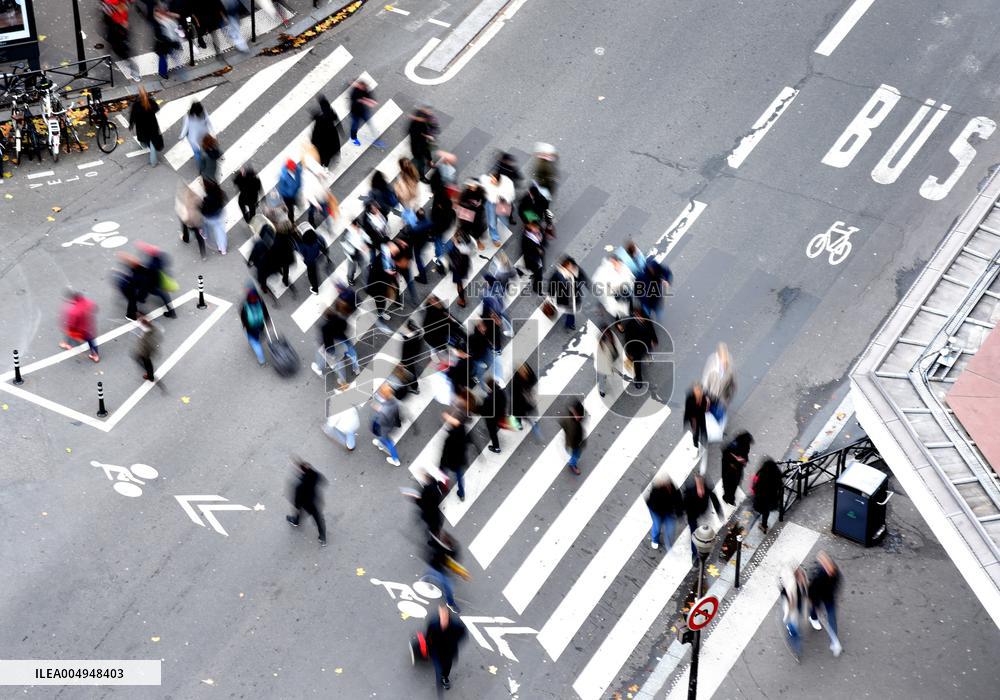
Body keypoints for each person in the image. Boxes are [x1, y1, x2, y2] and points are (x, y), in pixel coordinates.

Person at [807, 551, 843, 657]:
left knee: (831, 616)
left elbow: (837, 584)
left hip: (828, 596)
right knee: (814, 608)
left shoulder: (835, 572)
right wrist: (812, 600)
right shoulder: (817, 574)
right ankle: (813, 618)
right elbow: (811, 589)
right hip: (818, 596)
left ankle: (834, 641)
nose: (830, 570)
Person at [425, 604, 467, 693]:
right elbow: (428, 636)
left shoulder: (456, 625)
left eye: (445, 617)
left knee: (446, 667)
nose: (443, 620)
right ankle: (440, 676)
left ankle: (444, 677)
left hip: (448, 651)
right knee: (438, 666)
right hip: (436, 650)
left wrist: (454, 641)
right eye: (442, 617)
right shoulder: (433, 623)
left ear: (448, 616)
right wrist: (430, 647)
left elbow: (463, 634)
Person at [682, 475, 723, 563]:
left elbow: (714, 499)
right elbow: (684, 504)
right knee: (694, 532)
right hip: (692, 514)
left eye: (702, 489)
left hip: (701, 511)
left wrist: (719, 513)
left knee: (703, 530)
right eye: (699, 489)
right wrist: (682, 514)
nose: (701, 492)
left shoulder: (707, 488)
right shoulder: (689, 491)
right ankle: (695, 554)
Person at [286, 460, 327, 546]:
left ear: (302, 471)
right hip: (314, 500)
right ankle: (322, 537)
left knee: (299, 512)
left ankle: (296, 521)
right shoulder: (314, 475)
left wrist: (296, 506)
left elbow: (297, 499)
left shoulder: (299, 485)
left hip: (304, 503)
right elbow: (323, 481)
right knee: (318, 519)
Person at [702, 342, 736, 433]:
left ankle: (717, 428)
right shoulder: (712, 364)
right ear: (719, 357)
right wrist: (706, 396)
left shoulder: (729, 363)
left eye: (726, 360)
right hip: (712, 393)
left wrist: (729, 394)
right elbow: (706, 380)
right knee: (709, 411)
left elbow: (732, 380)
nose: (725, 363)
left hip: (722, 396)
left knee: (720, 413)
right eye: (723, 361)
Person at [440, 401, 471, 500]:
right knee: (459, 477)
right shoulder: (463, 431)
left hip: (449, 460)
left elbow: (445, 451)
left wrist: (447, 416)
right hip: (459, 460)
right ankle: (461, 494)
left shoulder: (450, 438)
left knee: (443, 472)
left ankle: (444, 488)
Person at [59, 290, 100, 362]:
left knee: (69, 333)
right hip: (89, 327)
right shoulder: (86, 302)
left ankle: (67, 344)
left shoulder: (74, 312)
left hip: (80, 330)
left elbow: (72, 324)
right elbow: (95, 307)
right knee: (91, 341)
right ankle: (95, 355)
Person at [622, 308, 658, 390]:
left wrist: (654, 339)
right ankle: (639, 380)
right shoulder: (630, 325)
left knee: (647, 353)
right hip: (636, 348)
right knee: (637, 365)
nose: (639, 318)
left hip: (646, 344)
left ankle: (648, 357)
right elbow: (627, 339)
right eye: (637, 316)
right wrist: (629, 352)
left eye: (640, 316)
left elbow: (651, 330)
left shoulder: (647, 321)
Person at [128, 87, 163, 167]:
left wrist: (131, 125)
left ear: (139, 94)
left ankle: (144, 144)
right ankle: (153, 162)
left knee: (143, 138)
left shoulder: (136, 105)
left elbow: (133, 116)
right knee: (152, 143)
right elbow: (157, 108)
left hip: (141, 126)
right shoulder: (151, 102)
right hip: (152, 125)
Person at [779, 565, 809, 660]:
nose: (802, 579)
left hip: (799, 605)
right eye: (801, 577)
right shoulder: (792, 586)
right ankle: (797, 650)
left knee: (796, 622)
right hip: (792, 608)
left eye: (803, 577)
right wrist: (791, 605)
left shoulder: (804, 583)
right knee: (795, 629)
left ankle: (791, 629)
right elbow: (790, 601)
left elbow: (805, 594)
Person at [480, 169, 515, 245]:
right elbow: (482, 179)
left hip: (502, 203)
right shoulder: (487, 180)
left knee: (504, 222)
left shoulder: (507, 183)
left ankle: (503, 227)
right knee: (492, 222)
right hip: (491, 203)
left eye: (493, 180)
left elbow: (511, 196)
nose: (491, 180)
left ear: (498, 181)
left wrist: (504, 198)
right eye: (491, 178)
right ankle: (495, 238)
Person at [646, 476, 682, 550]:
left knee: (670, 529)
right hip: (657, 512)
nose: (668, 487)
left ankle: (668, 543)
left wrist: (679, 512)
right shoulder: (656, 492)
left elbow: (678, 500)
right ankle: (655, 540)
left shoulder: (673, 489)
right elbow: (652, 504)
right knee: (657, 526)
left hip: (668, 512)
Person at [371, 383, 402, 466]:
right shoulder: (394, 401)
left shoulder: (384, 411)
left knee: (388, 441)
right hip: (392, 423)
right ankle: (380, 444)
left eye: (381, 393)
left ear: (384, 396)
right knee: (384, 438)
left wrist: (379, 410)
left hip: (385, 428)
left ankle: (395, 460)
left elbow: (381, 422)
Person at [178, 101, 213, 171]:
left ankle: (201, 168)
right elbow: (208, 122)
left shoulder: (188, 116)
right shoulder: (203, 113)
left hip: (194, 139)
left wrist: (181, 136)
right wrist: (212, 131)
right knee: (207, 149)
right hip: (204, 136)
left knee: (197, 153)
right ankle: (209, 161)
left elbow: (185, 128)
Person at [549, 256, 581, 330]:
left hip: (572, 297)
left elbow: (578, 281)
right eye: (569, 266)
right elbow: (552, 285)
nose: (571, 268)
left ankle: (570, 323)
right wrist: (551, 295)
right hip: (563, 298)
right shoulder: (557, 275)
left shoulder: (573, 271)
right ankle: (569, 323)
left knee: (571, 311)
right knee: (568, 310)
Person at [721, 431, 753, 505]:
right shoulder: (734, 446)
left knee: (732, 482)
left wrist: (743, 460)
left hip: (736, 468)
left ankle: (728, 495)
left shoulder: (744, 445)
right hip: (730, 468)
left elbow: (745, 455)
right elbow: (725, 452)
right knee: (731, 484)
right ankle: (729, 499)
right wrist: (736, 459)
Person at [348, 78, 383, 148]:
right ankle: (353, 138)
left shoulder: (365, 89)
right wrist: (364, 101)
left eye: (364, 87)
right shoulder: (354, 92)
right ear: (359, 86)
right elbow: (355, 102)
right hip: (355, 112)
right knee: (355, 126)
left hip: (363, 111)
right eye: (362, 87)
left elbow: (370, 97)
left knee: (370, 123)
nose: (363, 88)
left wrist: (369, 101)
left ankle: (375, 136)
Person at [752, 457, 783, 533]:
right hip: (772, 497)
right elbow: (780, 485)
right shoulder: (777, 472)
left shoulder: (763, 475)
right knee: (766, 512)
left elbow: (757, 487)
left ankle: (763, 524)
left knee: (762, 509)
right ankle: (764, 525)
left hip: (762, 498)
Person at [684, 383, 710, 475]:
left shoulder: (704, 395)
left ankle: (705, 438)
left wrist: (707, 404)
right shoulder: (690, 398)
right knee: (695, 434)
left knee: (703, 430)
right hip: (694, 419)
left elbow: (707, 405)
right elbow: (688, 410)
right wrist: (690, 420)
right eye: (697, 391)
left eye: (700, 391)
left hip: (701, 417)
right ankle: (695, 447)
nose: (699, 392)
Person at [511, 363, 542, 438]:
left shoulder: (529, 377)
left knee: (529, 416)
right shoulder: (516, 381)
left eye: (524, 371)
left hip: (526, 403)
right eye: (522, 371)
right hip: (522, 403)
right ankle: (520, 425)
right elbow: (515, 395)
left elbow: (534, 382)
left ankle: (534, 428)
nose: (524, 373)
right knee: (519, 415)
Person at [311, 95, 343, 167]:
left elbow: (315, 134)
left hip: (323, 140)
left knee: (323, 153)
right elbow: (337, 120)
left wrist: (313, 142)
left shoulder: (319, 122)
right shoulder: (330, 112)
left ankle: (323, 164)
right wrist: (341, 131)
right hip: (332, 136)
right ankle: (327, 163)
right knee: (330, 150)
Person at [240, 286, 268, 366]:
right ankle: (258, 338)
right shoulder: (260, 302)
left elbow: (243, 318)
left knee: (255, 343)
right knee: (257, 336)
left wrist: (244, 325)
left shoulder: (245, 306)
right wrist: (266, 321)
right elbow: (266, 314)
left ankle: (262, 361)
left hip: (251, 328)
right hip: (260, 325)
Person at [478, 377, 506, 454]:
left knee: (492, 433)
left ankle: (496, 447)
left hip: (492, 418)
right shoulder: (501, 392)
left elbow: (484, 410)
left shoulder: (489, 399)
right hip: (500, 414)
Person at [298, 227, 330, 296]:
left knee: (311, 274)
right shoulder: (317, 239)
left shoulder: (304, 246)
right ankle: (315, 286)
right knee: (312, 271)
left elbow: (303, 253)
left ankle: (315, 289)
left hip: (310, 261)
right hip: (316, 255)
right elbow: (323, 243)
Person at [200, 180, 228, 255]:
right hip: (219, 215)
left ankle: (204, 234)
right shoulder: (219, 193)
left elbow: (203, 210)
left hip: (210, 217)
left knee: (204, 224)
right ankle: (222, 249)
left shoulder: (207, 199)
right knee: (220, 232)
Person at [560, 399, 586, 475]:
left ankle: (572, 463)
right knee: (576, 455)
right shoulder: (570, 422)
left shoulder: (577, 420)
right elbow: (565, 426)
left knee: (576, 454)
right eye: (575, 414)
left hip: (577, 441)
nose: (577, 417)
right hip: (574, 443)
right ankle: (572, 465)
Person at [594, 325, 619, 398]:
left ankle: (602, 389)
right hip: (602, 365)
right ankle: (602, 390)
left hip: (607, 362)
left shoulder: (610, 340)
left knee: (603, 376)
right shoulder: (601, 342)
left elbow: (614, 352)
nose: (608, 336)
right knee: (602, 378)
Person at [133, 315, 160, 382]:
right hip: (147, 350)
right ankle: (150, 375)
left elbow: (145, 345)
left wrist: (141, 352)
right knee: (147, 363)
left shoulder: (147, 333)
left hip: (145, 352)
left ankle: (150, 376)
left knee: (147, 363)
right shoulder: (152, 329)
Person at [276, 159, 302, 224]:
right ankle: (291, 222)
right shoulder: (284, 176)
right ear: (288, 168)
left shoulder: (297, 169)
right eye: (292, 169)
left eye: (294, 168)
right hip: (287, 197)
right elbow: (282, 189)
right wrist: (290, 194)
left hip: (295, 193)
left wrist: (298, 186)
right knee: (291, 210)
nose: (294, 170)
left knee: (296, 202)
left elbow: (299, 175)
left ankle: (293, 204)